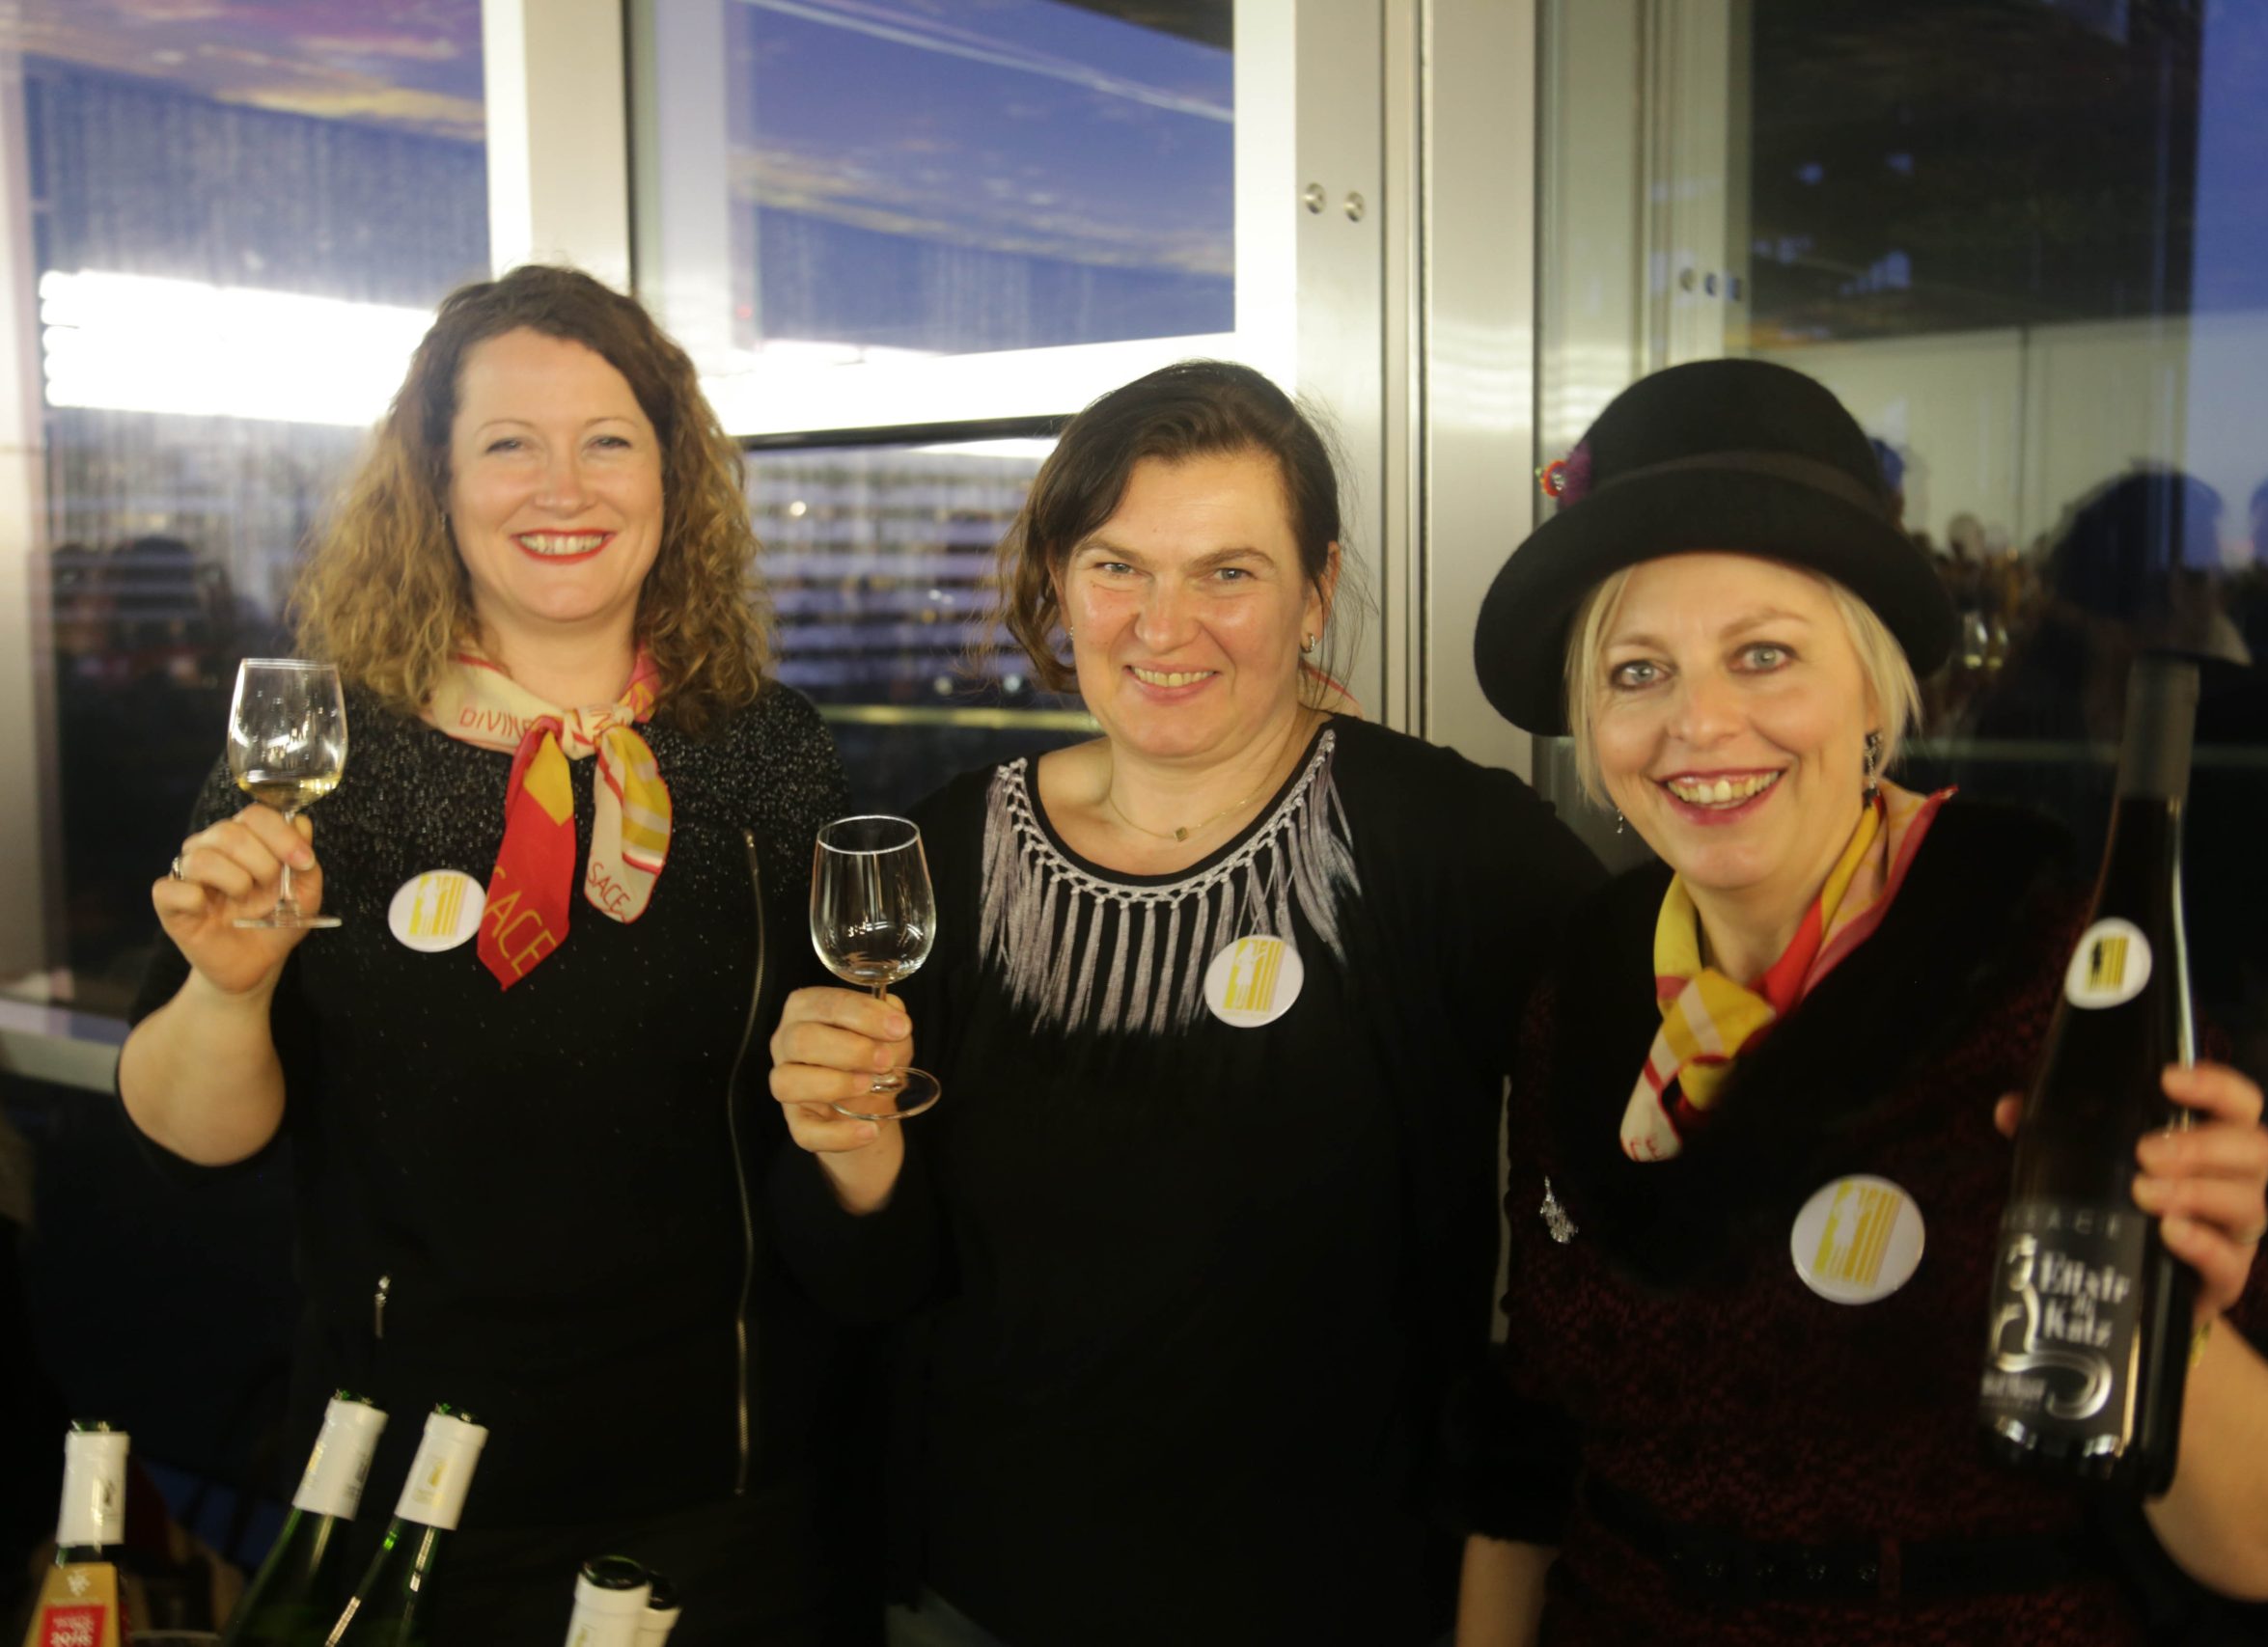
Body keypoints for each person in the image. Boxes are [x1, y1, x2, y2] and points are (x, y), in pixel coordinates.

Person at [1453, 359, 2268, 1644]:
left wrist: (2169, 1314)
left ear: (1873, 691)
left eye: (1763, 655)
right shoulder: (1580, 991)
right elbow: (1533, 1437)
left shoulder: (2058, 976)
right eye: (1638, 673)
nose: (1699, 724)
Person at [767, 360, 1605, 1646]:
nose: (1165, 627)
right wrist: (850, 1154)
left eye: (1228, 572)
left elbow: (1628, 1180)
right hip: (977, 1599)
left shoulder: (1448, 845)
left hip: (1335, 1607)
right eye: (1118, 568)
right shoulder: (947, 855)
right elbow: (874, 1291)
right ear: (1060, 582)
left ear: (1315, 592)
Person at [118, 265, 846, 1643]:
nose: (562, 488)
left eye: (607, 441)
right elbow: (192, 1142)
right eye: (510, 444)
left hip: (723, 1476)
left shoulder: (765, 749)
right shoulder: (322, 760)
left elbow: (836, 1103)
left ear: (671, 478)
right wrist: (228, 988)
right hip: (402, 1481)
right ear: (436, 486)